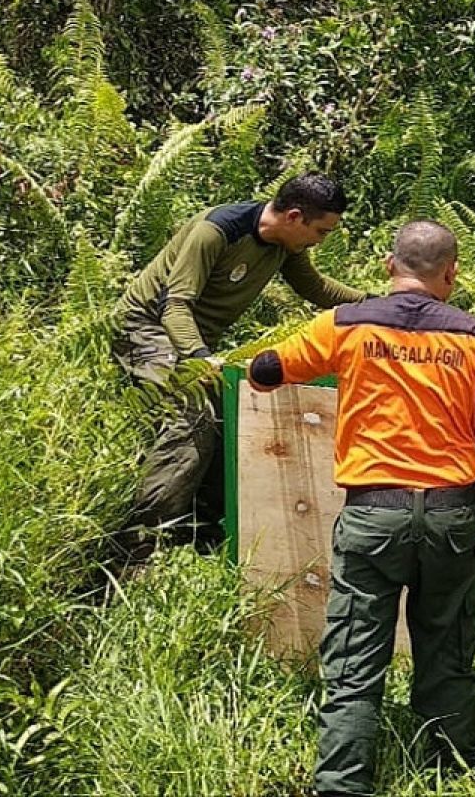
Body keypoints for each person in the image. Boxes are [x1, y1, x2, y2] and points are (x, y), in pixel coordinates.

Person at [246, 220, 475, 797]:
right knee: (446, 643)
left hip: (373, 515)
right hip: (451, 516)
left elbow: (266, 371)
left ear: (387, 265)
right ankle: (453, 768)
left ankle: (343, 784)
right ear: (451, 274)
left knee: (354, 657)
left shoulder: (346, 323)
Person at [112, 173, 366, 558]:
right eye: (322, 231)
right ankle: (138, 544)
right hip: (146, 329)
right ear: (294, 217)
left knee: (231, 413)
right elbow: (174, 307)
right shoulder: (216, 232)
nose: (321, 240)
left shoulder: (287, 245)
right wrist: (198, 359)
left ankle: (203, 529)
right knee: (193, 414)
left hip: (192, 339)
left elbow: (316, 289)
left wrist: (377, 305)